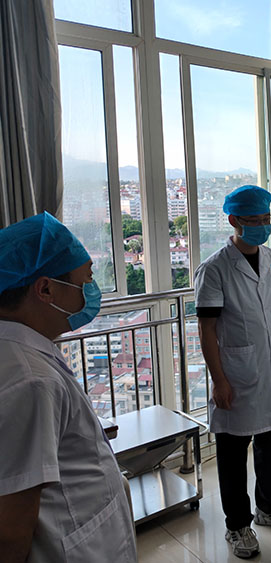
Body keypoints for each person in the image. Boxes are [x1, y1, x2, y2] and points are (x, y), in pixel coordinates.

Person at [0, 212, 137, 562]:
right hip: (77, 547)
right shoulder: (31, 381)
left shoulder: (24, 353)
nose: (91, 291)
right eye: (85, 280)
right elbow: (10, 530)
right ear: (46, 289)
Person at [195, 185, 271, 559]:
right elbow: (207, 328)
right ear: (234, 221)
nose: (262, 226)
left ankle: (269, 507)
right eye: (253, 220)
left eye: (265, 219)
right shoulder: (215, 269)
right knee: (232, 453)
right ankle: (237, 524)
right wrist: (218, 380)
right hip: (237, 373)